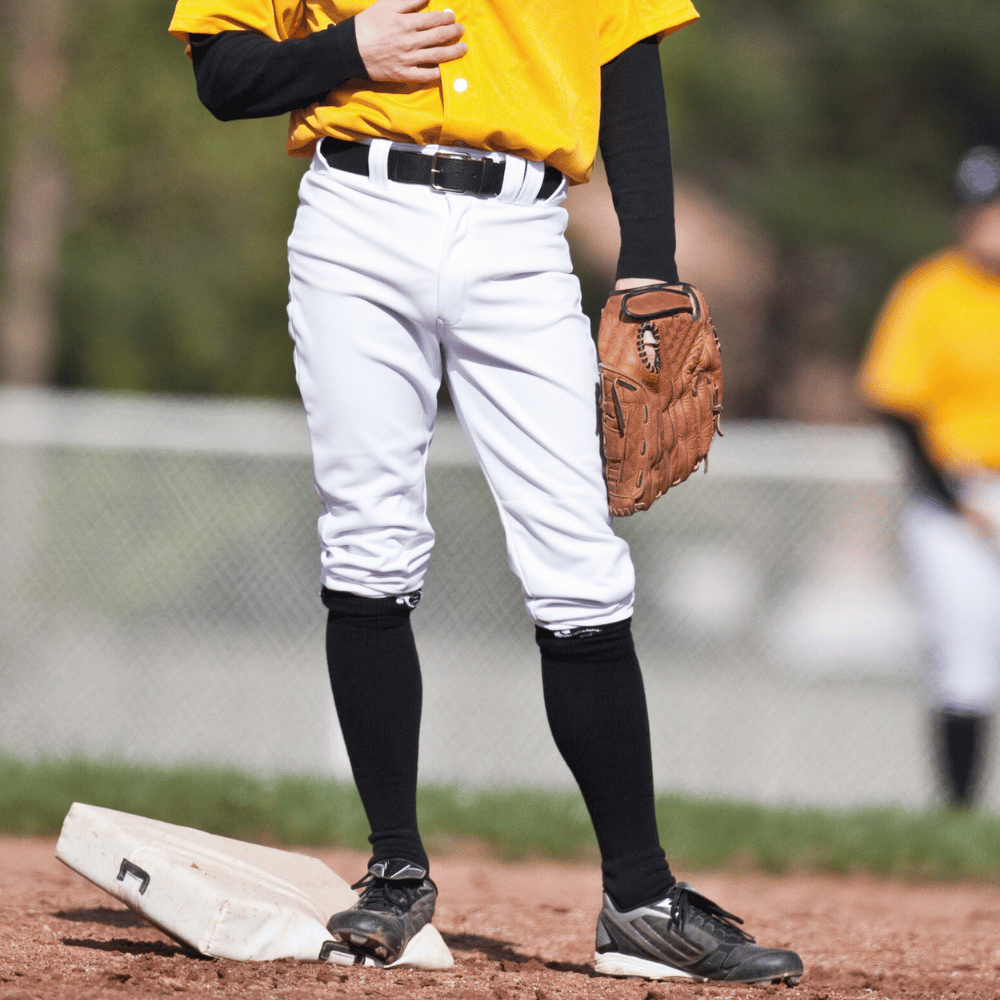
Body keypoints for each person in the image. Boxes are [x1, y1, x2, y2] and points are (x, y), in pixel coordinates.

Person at [167, 0, 804, 983]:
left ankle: (638, 900)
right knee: (369, 543)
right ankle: (394, 873)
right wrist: (348, 51)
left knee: (580, 564)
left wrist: (648, 262)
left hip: (520, 234)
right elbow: (223, 74)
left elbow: (627, 70)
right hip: (355, 219)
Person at [859, 145, 1000, 808]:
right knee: (965, 665)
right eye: (984, 211)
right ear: (963, 219)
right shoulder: (931, 291)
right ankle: (960, 815)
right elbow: (898, 408)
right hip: (957, 498)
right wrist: (953, 499)